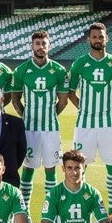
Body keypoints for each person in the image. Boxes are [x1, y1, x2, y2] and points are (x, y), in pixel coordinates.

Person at [66, 22, 112, 213]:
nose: (98, 40)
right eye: (94, 37)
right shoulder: (80, 63)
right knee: (80, 166)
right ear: (88, 40)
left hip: (109, 124)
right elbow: (71, 92)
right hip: (85, 125)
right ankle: (82, 207)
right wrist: (84, 108)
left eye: (101, 36)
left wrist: (109, 106)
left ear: (106, 38)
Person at [11, 30, 69, 208]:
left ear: (48, 46)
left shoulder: (58, 70)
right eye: (37, 44)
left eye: (44, 44)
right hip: (29, 130)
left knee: (51, 169)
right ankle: (25, 209)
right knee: (28, 168)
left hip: (51, 129)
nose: (41, 47)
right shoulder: (22, 70)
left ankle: (51, 208)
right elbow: (15, 99)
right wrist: (26, 116)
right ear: (32, 46)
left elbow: (63, 101)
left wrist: (49, 116)